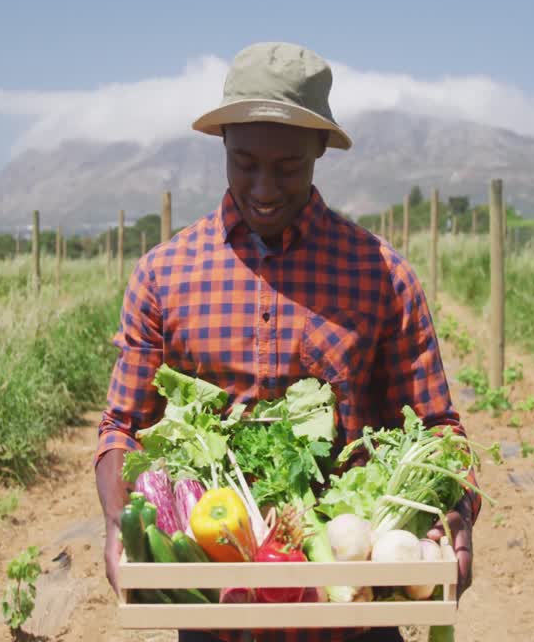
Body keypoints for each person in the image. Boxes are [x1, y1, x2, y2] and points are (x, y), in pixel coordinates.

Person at [95, 41, 479, 642]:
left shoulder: (382, 275)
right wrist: (122, 522)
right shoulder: (163, 276)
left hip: (353, 610)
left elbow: (438, 430)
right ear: (222, 145)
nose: (265, 187)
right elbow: (121, 426)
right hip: (217, 612)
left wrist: (456, 519)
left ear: (321, 151)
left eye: (288, 166)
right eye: (245, 163)